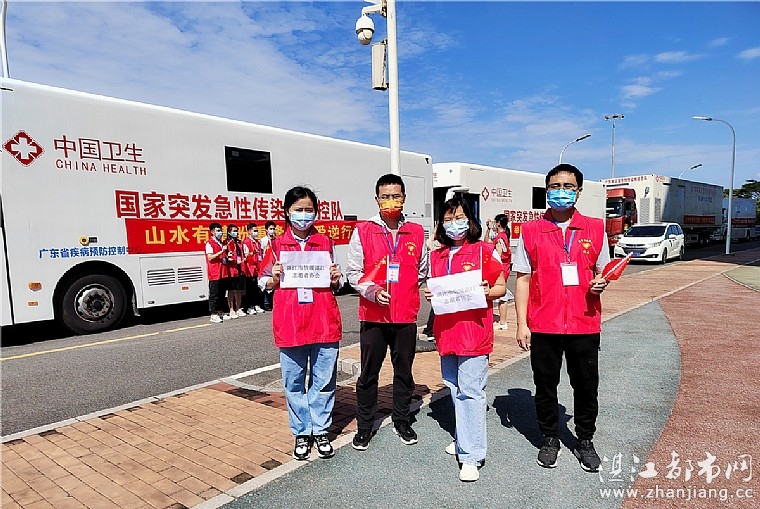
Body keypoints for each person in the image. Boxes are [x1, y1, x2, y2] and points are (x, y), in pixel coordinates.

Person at [513, 163, 611, 472]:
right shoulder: (531, 231)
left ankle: (585, 440)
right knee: (545, 386)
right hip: (544, 325)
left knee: (586, 387)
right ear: (547, 191)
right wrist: (522, 324)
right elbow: (523, 279)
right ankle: (549, 438)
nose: (561, 192)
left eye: (568, 187)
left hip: (584, 322)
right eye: (555, 186)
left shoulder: (595, 228)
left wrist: (600, 283)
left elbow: (602, 271)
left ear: (579, 192)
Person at [424, 197, 506, 482]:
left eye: (459, 218)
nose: (453, 224)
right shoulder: (437, 256)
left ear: (470, 221)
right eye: (448, 219)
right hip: (447, 333)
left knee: (471, 391)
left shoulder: (484, 251)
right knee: (454, 387)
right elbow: (437, 290)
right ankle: (463, 437)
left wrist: (486, 291)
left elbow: (500, 287)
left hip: (474, 333)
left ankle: (471, 455)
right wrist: (431, 295)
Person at [258, 186, 343, 461]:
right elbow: (262, 282)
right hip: (291, 323)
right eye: (299, 210)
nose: (304, 215)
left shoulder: (325, 243)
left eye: (309, 210)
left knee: (324, 380)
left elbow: (337, 282)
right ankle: (302, 432)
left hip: (323, 321)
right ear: (287, 212)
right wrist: (273, 278)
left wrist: (335, 278)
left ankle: (321, 429)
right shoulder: (275, 246)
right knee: (293, 382)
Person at [347, 173, 429, 450]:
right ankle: (364, 426)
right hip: (373, 315)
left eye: (396, 196)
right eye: (385, 196)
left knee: (404, 372)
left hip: (405, 316)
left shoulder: (416, 232)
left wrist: (405, 290)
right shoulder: (363, 230)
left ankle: (402, 421)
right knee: (368, 374)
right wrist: (372, 291)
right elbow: (353, 272)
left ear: (404, 198)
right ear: (377, 199)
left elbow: (422, 270)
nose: (391, 201)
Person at [493, 213, 513, 330]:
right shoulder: (504, 235)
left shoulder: (500, 237)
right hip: (505, 267)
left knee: (501, 294)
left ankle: (503, 322)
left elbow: (498, 255)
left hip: (501, 268)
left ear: (498, 223)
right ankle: (502, 321)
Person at [205, 222, 227, 323]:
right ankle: (213, 314)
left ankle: (220, 312)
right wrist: (221, 252)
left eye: (220, 230)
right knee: (214, 294)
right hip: (214, 272)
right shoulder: (209, 243)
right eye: (218, 231)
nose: (220, 232)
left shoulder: (220, 242)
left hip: (222, 271)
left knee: (221, 293)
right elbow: (210, 257)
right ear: (212, 232)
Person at [242, 222, 265, 315]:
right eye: (254, 231)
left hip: (257, 267)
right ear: (249, 231)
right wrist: (252, 253)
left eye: (257, 230)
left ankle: (256, 304)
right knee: (250, 288)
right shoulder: (246, 242)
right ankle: (249, 306)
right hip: (250, 267)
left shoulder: (257, 242)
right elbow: (245, 255)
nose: (256, 232)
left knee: (256, 288)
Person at [223, 224, 246, 319]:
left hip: (240, 267)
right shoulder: (226, 243)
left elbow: (242, 253)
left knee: (239, 290)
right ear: (229, 232)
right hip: (231, 269)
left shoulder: (239, 242)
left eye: (236, 231)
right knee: (231, 290)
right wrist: (229, 258)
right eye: (234, 231)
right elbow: (224, 257)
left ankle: (238, 308)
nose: (236, 233)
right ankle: (231, 309)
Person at [260, 220, 278, 311]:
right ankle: (266, 303)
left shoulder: (276, 240)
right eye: (271, 229)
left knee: (274, 282)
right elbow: (261, 252)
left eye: (273, 229)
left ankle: (273, 302)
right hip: (266, 264)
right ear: (266, 230)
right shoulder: (263, 240)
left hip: (274, 263)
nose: (272, 230)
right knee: (266, 282)